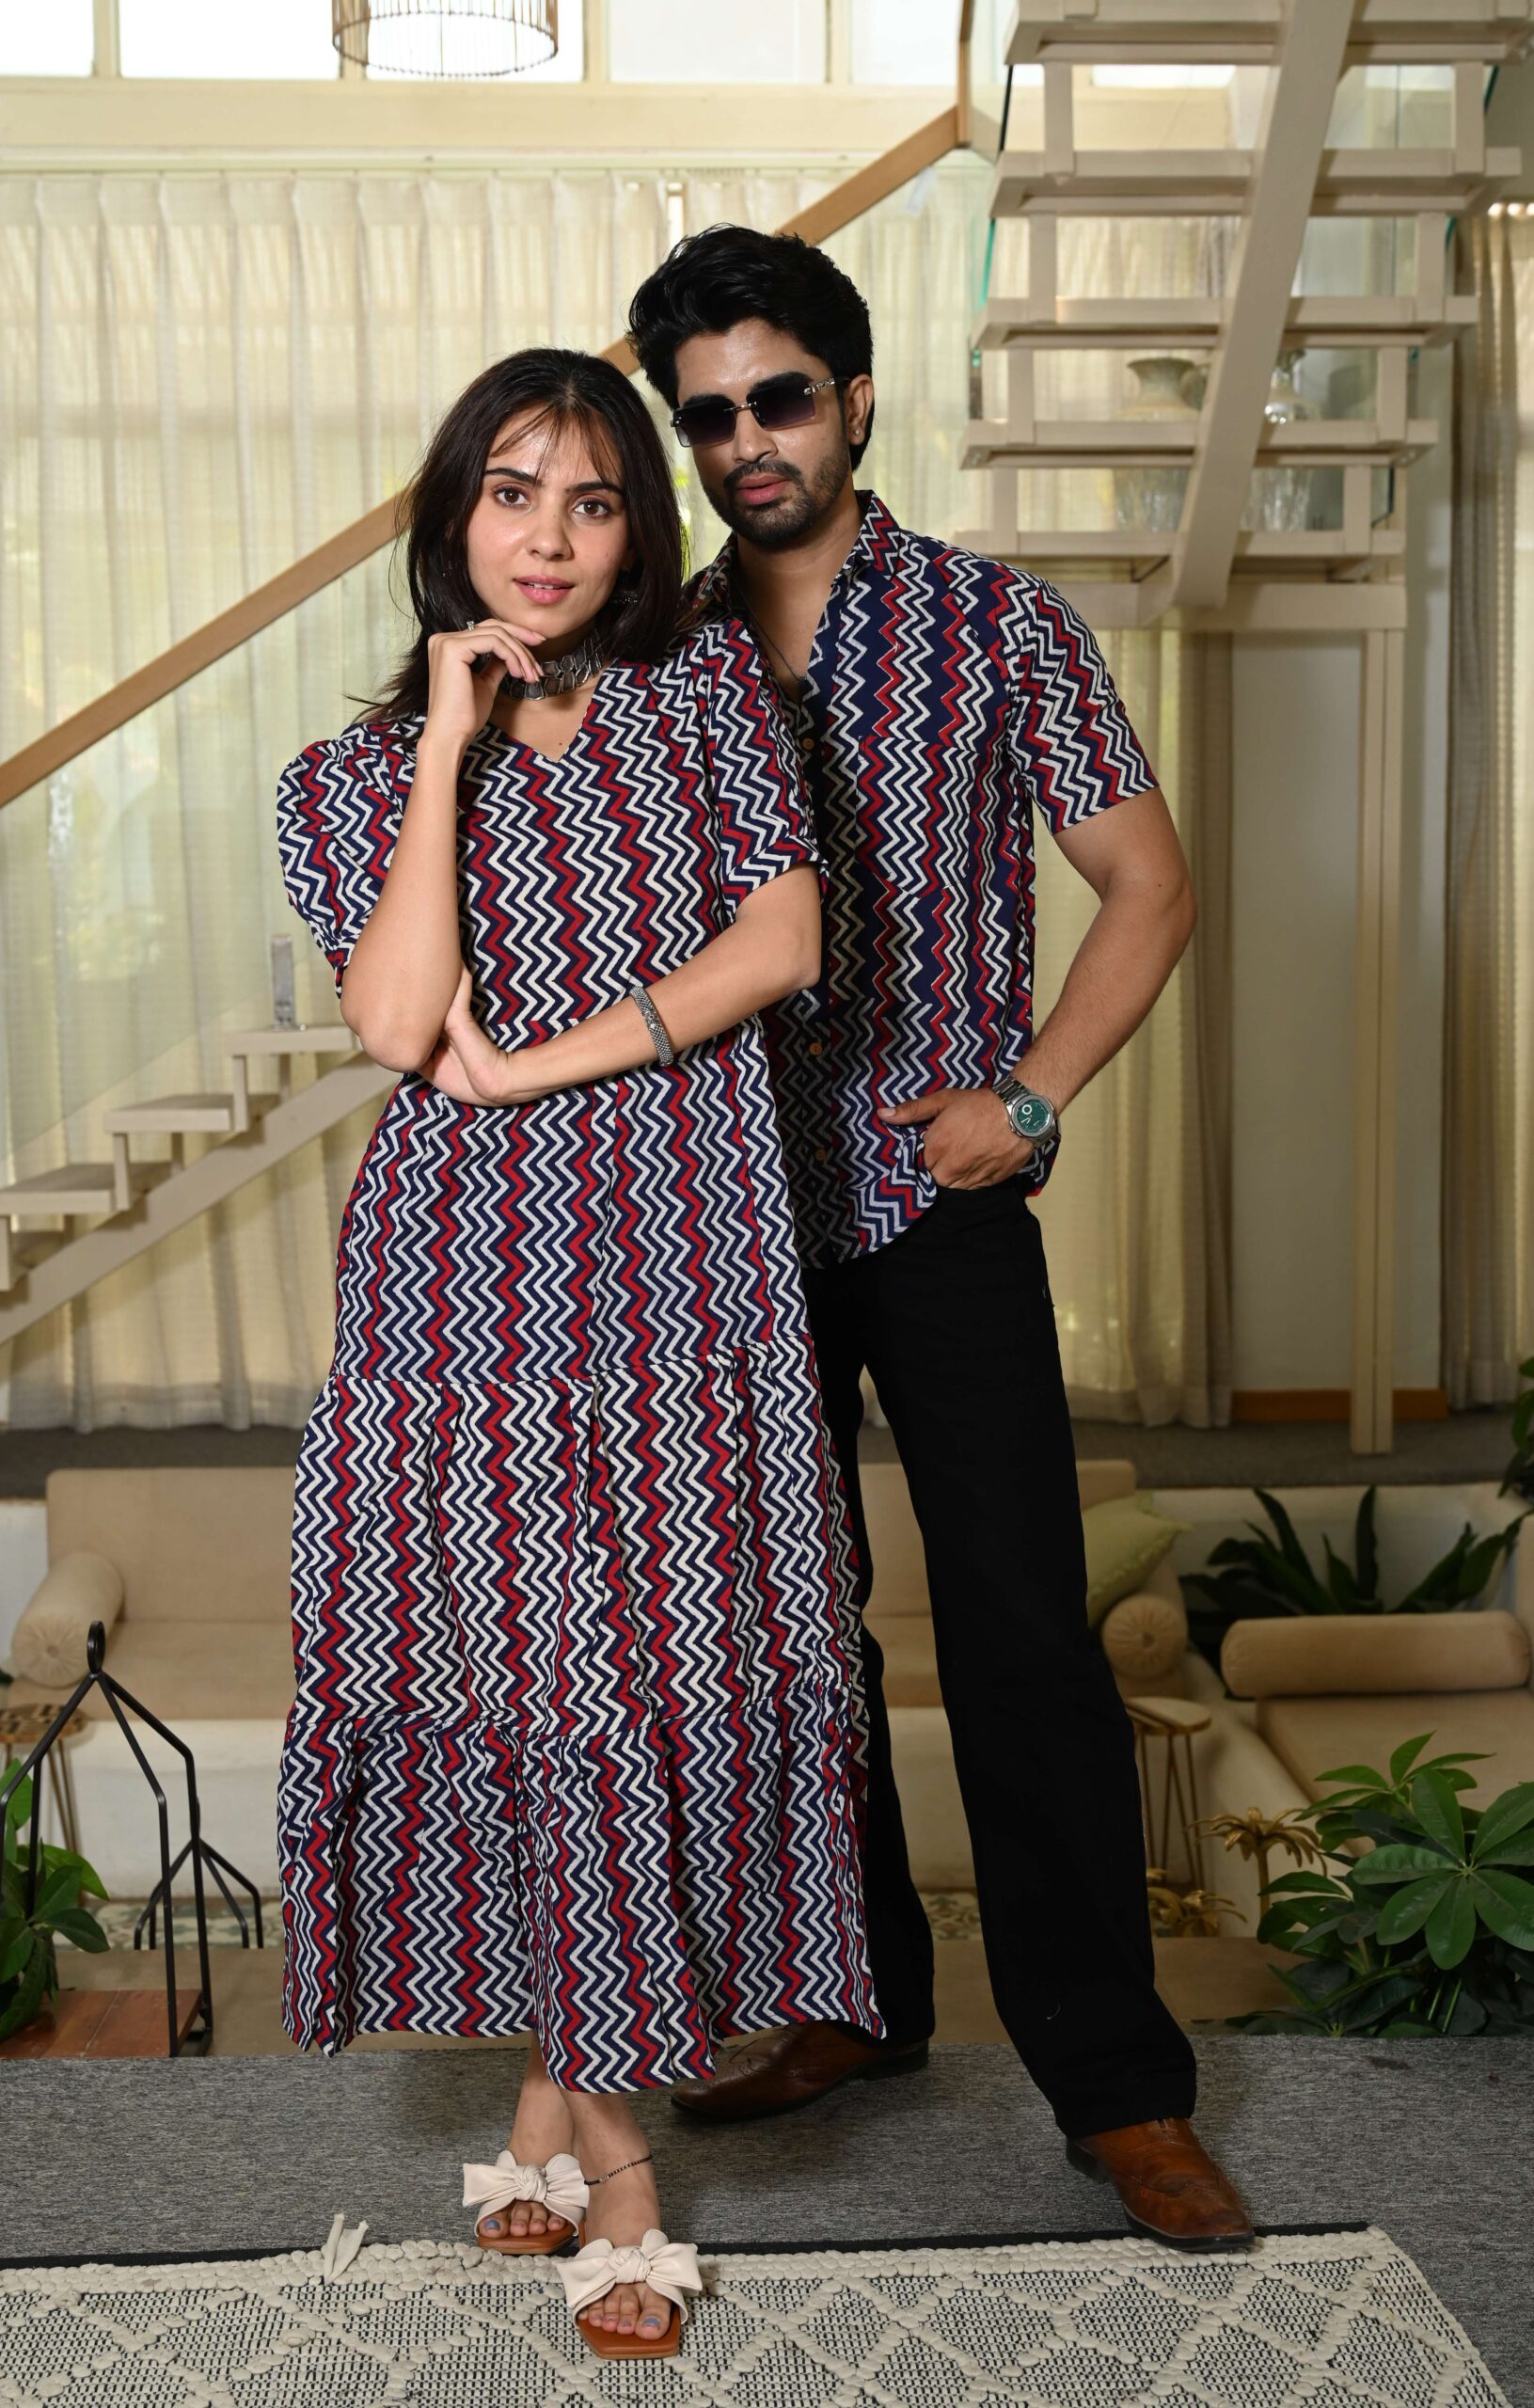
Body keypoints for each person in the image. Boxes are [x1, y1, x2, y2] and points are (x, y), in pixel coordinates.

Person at [625, 229, 1251, 2248]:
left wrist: (1032, 1096)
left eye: (778, 397)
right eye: (706, 415)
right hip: (725, 1218)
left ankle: (1121, 2085)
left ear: (857, 398)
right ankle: (857, 2003)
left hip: (939, 1199)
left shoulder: (1000, 624)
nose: (744, 440)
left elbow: (1149, 885)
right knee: (791, 1633)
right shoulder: (653, 652)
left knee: (1019, 1633)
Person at [274, 346, 880, 2357]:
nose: (550, 538)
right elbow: (394, 1019)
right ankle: (622, 2176)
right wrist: (446, 748)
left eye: (596, 501)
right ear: (453, 512)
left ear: (637, 534)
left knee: (641, 1677)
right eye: (514, 492)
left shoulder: (706, 704)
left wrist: (546, 1061)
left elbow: (783, 943)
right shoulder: (351, 777)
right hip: (463, 1292)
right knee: (533, 1678)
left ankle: (545, 2111)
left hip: (692, 1266)